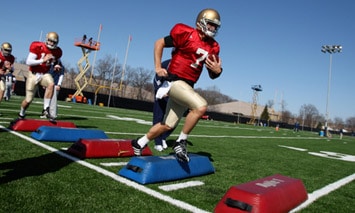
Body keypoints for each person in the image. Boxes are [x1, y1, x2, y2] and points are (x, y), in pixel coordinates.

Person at [131, 8, 223, 162]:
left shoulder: (213, 46)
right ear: (201, 22)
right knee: (200, 107)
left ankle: (139, 143)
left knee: (167, 125)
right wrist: (158, 67)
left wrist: (218, 71)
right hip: (174, 81)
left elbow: (213, 74)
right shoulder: (186, 33)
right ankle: (181, 142)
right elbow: (159, 42)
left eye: (215, 26)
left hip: (187, 86)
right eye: (210, 24)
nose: (213, 29)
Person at [18, 32, 63, 120]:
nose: (52, 43)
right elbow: (28, 62)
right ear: (46, 40)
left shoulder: (57, 51)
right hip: (33, 74)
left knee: (51, 84)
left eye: (54, 42)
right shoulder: (38, 46)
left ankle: (46, 109)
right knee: (28, 100)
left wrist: (56, 65)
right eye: (50, 41)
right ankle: (21, 113)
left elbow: (57, 61)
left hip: (44, 74)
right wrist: (43, 60)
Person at [153, 59, 173, 151]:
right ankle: (158, 142)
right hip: (162, 93)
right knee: (158, 118)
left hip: (174, 94)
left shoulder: (185, 66)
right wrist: (159, 91)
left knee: (173, 119)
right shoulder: (166, 63)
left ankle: (163, 137)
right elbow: (157, 78)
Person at [0, 42, 16, 114]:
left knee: (3, 89)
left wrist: (9, 69)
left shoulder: (11, 58)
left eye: (9, 50)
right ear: (2, 49)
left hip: (1, 76)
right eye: (6, 50)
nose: (7, 52)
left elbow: (10, 70)